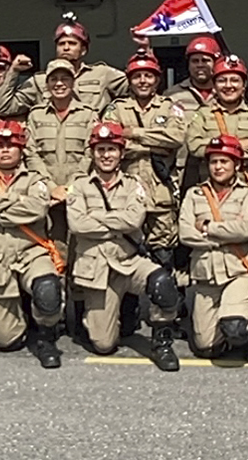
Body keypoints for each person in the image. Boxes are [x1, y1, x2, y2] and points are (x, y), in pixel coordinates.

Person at [65, 122, 181, 372]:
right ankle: (95, 319)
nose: (106, 155)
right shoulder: (79, 185)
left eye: (112, 149)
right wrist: (117, 221)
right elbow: (77, 224)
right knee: (104, 344)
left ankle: (162, 342)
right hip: (97, 269)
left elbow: (134, 220)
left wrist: (96, 219)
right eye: (101, 150)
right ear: (92, 153)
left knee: (163, 284)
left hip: (129, 262)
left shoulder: (134, 184)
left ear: (122, 153)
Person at [0, 120, 70, 368]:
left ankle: (46, 339)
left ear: (21, 150)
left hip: (31, 253)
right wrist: (15, 200)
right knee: (7, 341)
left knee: (47, 288)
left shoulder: (36, 179)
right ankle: (17, 323)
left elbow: (37, 209)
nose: (5, 150)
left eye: (11, 146)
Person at [178, 135, 248, 360]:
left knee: (235, 328)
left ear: (237, 164)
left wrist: (208, 227)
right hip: (206, 278)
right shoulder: (194, 194)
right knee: (205, 348)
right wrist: (226, 235)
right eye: (214, 162)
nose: (218, 167)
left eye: (224, 161)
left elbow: (246, 230)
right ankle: (228, 322)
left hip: (239, 273)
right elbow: (185, 234)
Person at [104, 50, 188, 275]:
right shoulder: (117, 108)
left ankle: (169, 309)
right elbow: (111, 143)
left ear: (157, 79)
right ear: (129, 80)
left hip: (161, 192)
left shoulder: (170, 107)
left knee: (164, 252)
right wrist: (157, 143)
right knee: (126, 253)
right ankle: (128, 311)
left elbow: (177, 138)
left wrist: (134, 133)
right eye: (137, 76)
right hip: (126, 192)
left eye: (148, 76)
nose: (143, 81)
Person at [6, 13, 130, 114]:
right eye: (61, 44)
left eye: (72, 43)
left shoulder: (102, 73)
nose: (66, 48)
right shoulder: (40, 80)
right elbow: (5, 108)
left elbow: (141, 87)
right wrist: (13, 71)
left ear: (83, 50)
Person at [184, 55, 248, 186]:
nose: (228, 85)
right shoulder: (203, 114)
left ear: (244, 86)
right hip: (211, 189)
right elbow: (194, 145)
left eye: (235, 80)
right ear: (214, 85)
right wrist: (238, 144)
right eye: (222, 80)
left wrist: (215, 148)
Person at [27, 59, 98, 187]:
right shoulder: (36, 115)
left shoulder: (87, 114)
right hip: (43, 187)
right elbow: (31, 154)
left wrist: (72, 185)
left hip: (80, 187)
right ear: (47, 84)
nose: (59, 83)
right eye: (53, 79)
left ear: (73, 82)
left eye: (65, 79)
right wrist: (50, 186)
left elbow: (91, 153)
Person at [164, 35, 223, 112]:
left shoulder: (226, 92)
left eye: (205, 60)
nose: (200, 65)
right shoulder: (172, 94)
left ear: (216, 63)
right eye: (195, 61)